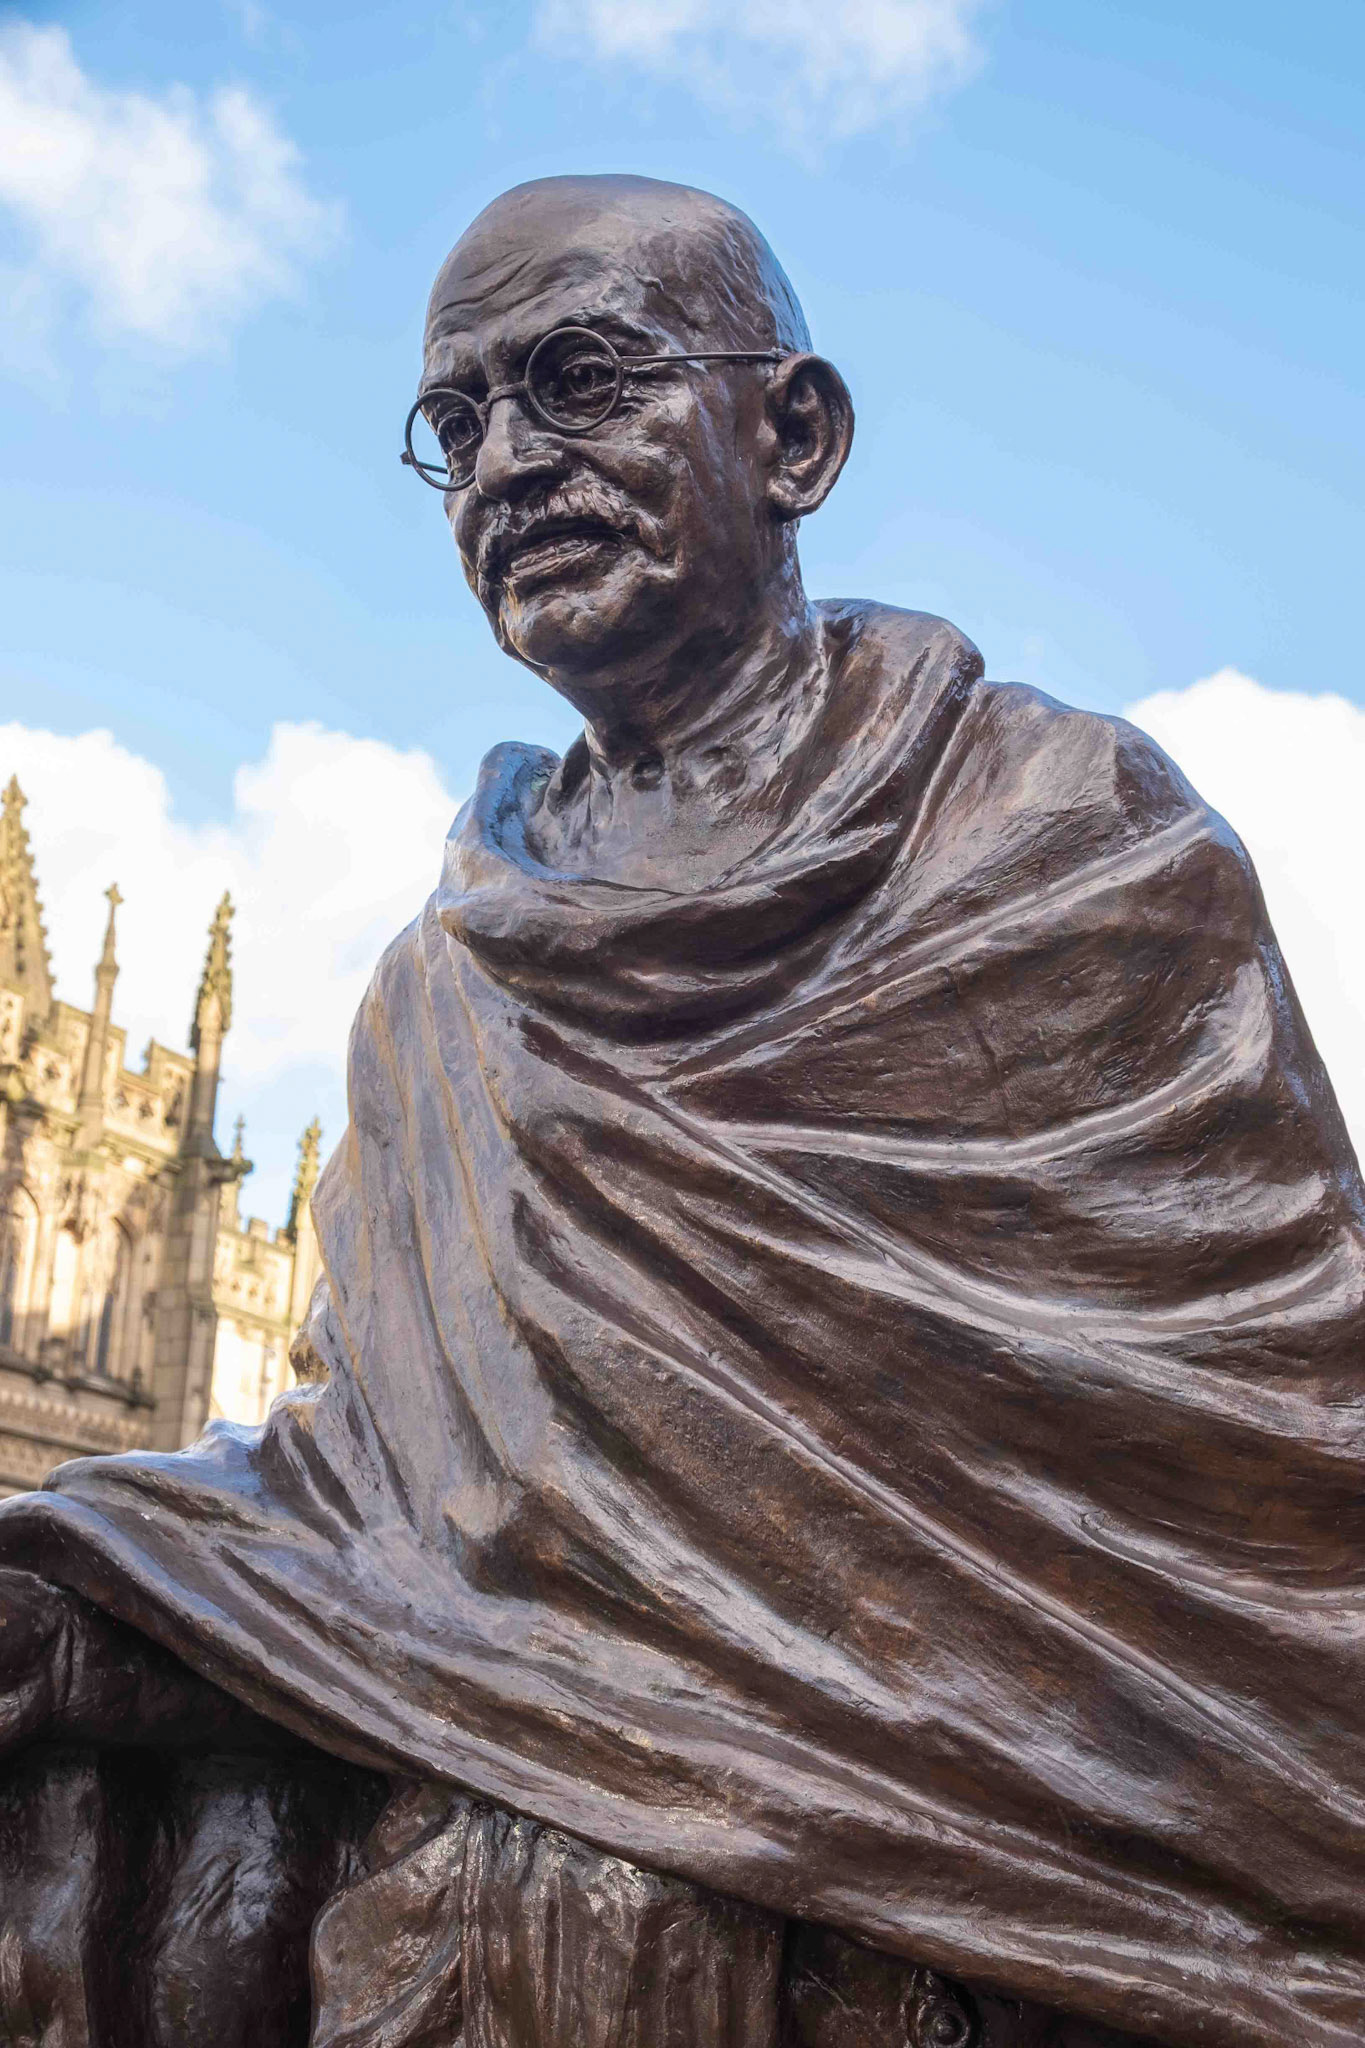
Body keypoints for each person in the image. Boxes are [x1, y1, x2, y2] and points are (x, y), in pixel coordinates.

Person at [2, 174, 1364, 2048]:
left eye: (577, 378)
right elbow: (375, 1511)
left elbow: (1274, 1458)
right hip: (481, 1914)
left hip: (956, 1909)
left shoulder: (1060, 849)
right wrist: (84, 1598)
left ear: (790, 435)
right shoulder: (444, 991)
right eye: (456, 423)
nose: (506, 462)